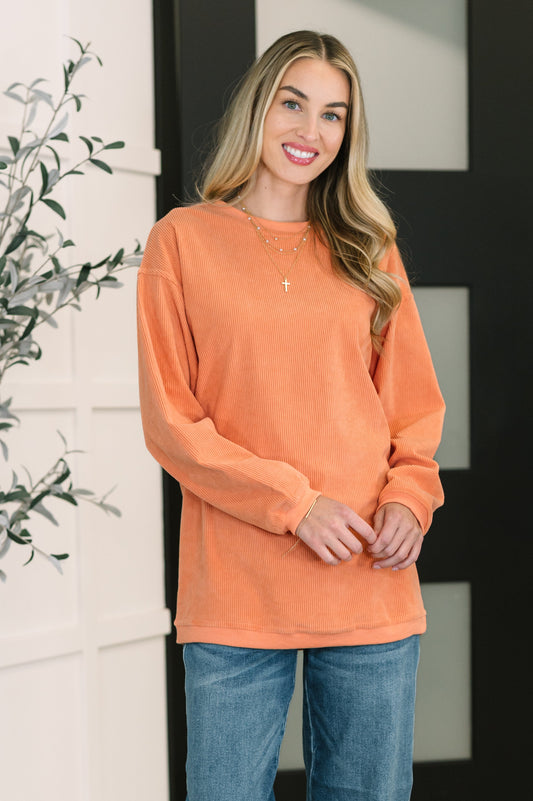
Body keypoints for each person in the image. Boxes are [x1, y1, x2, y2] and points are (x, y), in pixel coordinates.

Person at [137, 29, 445, 801]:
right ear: (257, 108)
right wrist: (295, 504)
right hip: (236, 586)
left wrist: (411, 497)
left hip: (368, 572)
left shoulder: (370, 247)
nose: (311, 131)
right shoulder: (181, 243)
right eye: (293, 103)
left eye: (333, 115)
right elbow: (172, 422)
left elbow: (412, 404)